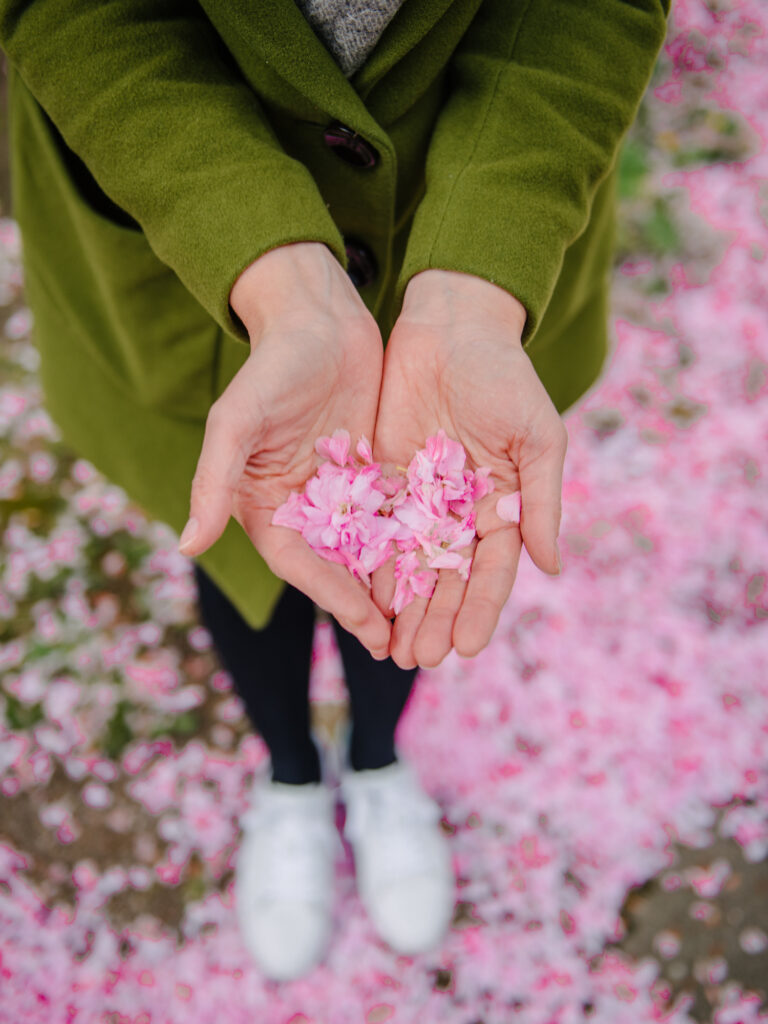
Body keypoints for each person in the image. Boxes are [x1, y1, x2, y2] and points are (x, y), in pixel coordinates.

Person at [1, 0, 669, 982]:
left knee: (405, 588)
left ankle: (377, 758)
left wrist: (478, 287)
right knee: (241, 549)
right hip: (185, 240)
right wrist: (274, 273)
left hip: (464, 218)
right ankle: (289, 771)